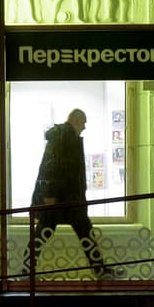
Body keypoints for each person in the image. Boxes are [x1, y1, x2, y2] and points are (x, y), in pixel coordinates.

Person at [27, 109, 115, 280]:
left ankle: (26, 269)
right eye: (83, 122)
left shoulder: (62, 137)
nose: (84, 127)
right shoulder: (64, 137)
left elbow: (53, 166)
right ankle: (99, 270)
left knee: (48, 232)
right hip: (63, 199)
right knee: (81, 231)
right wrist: (49, 195)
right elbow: (51, 167)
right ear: (75, 120)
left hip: (64, 198)